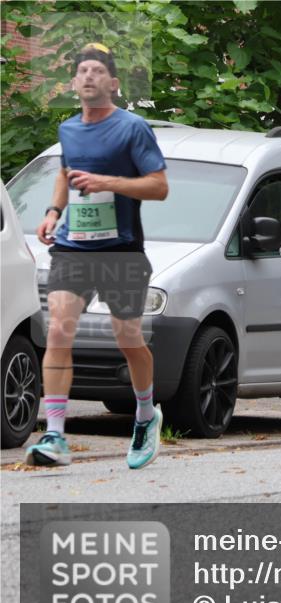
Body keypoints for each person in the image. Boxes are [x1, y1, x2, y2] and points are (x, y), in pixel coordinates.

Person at [26, 43, 168, 468]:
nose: (88, 76)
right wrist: (54, 212)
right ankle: (54, 434)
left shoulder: (133, 128)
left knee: (127, 338)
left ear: (113, 83)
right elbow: (66, 175)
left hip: (121, 249)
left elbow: (159, 186)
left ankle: (146, 413)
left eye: (96, 71)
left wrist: (110, 181)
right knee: (58, 333)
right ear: (74, 82)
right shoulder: (69, 129)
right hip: (73, 249)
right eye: (82, 70)